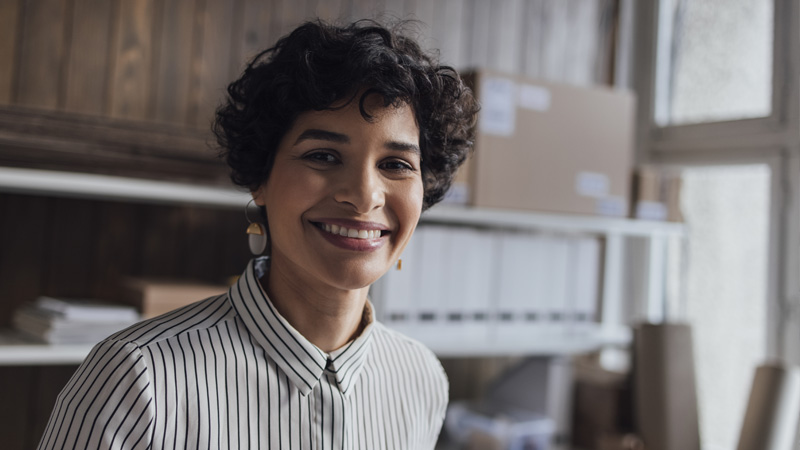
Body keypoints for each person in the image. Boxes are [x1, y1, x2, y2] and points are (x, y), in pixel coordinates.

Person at [38, 19, 478, 450]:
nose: (364, 197)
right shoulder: (139, 378)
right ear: (260, 178)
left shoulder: (421, 377)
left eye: (396, 165)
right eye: (324, 156)